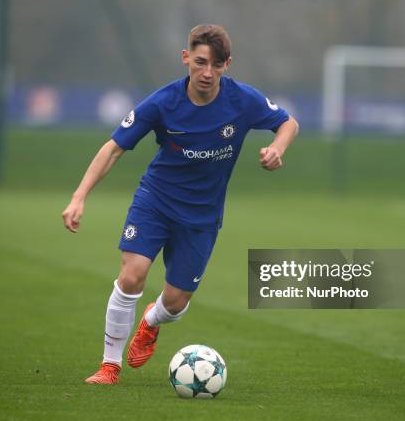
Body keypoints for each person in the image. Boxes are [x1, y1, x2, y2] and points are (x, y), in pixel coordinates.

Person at [62, 24, 299, 384]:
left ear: (227, 64)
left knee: (175, 302)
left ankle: (150, 322)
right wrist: (79, 197)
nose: (207, 72)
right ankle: (109, 366)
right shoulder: (162, 103)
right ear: (186, 57)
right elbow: (114, 149)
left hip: (202, 217)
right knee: (132, 274)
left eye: (216, 65)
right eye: (201, 62)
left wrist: (277, 149)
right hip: (155, 201)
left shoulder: (243, 100)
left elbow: (288, 123)